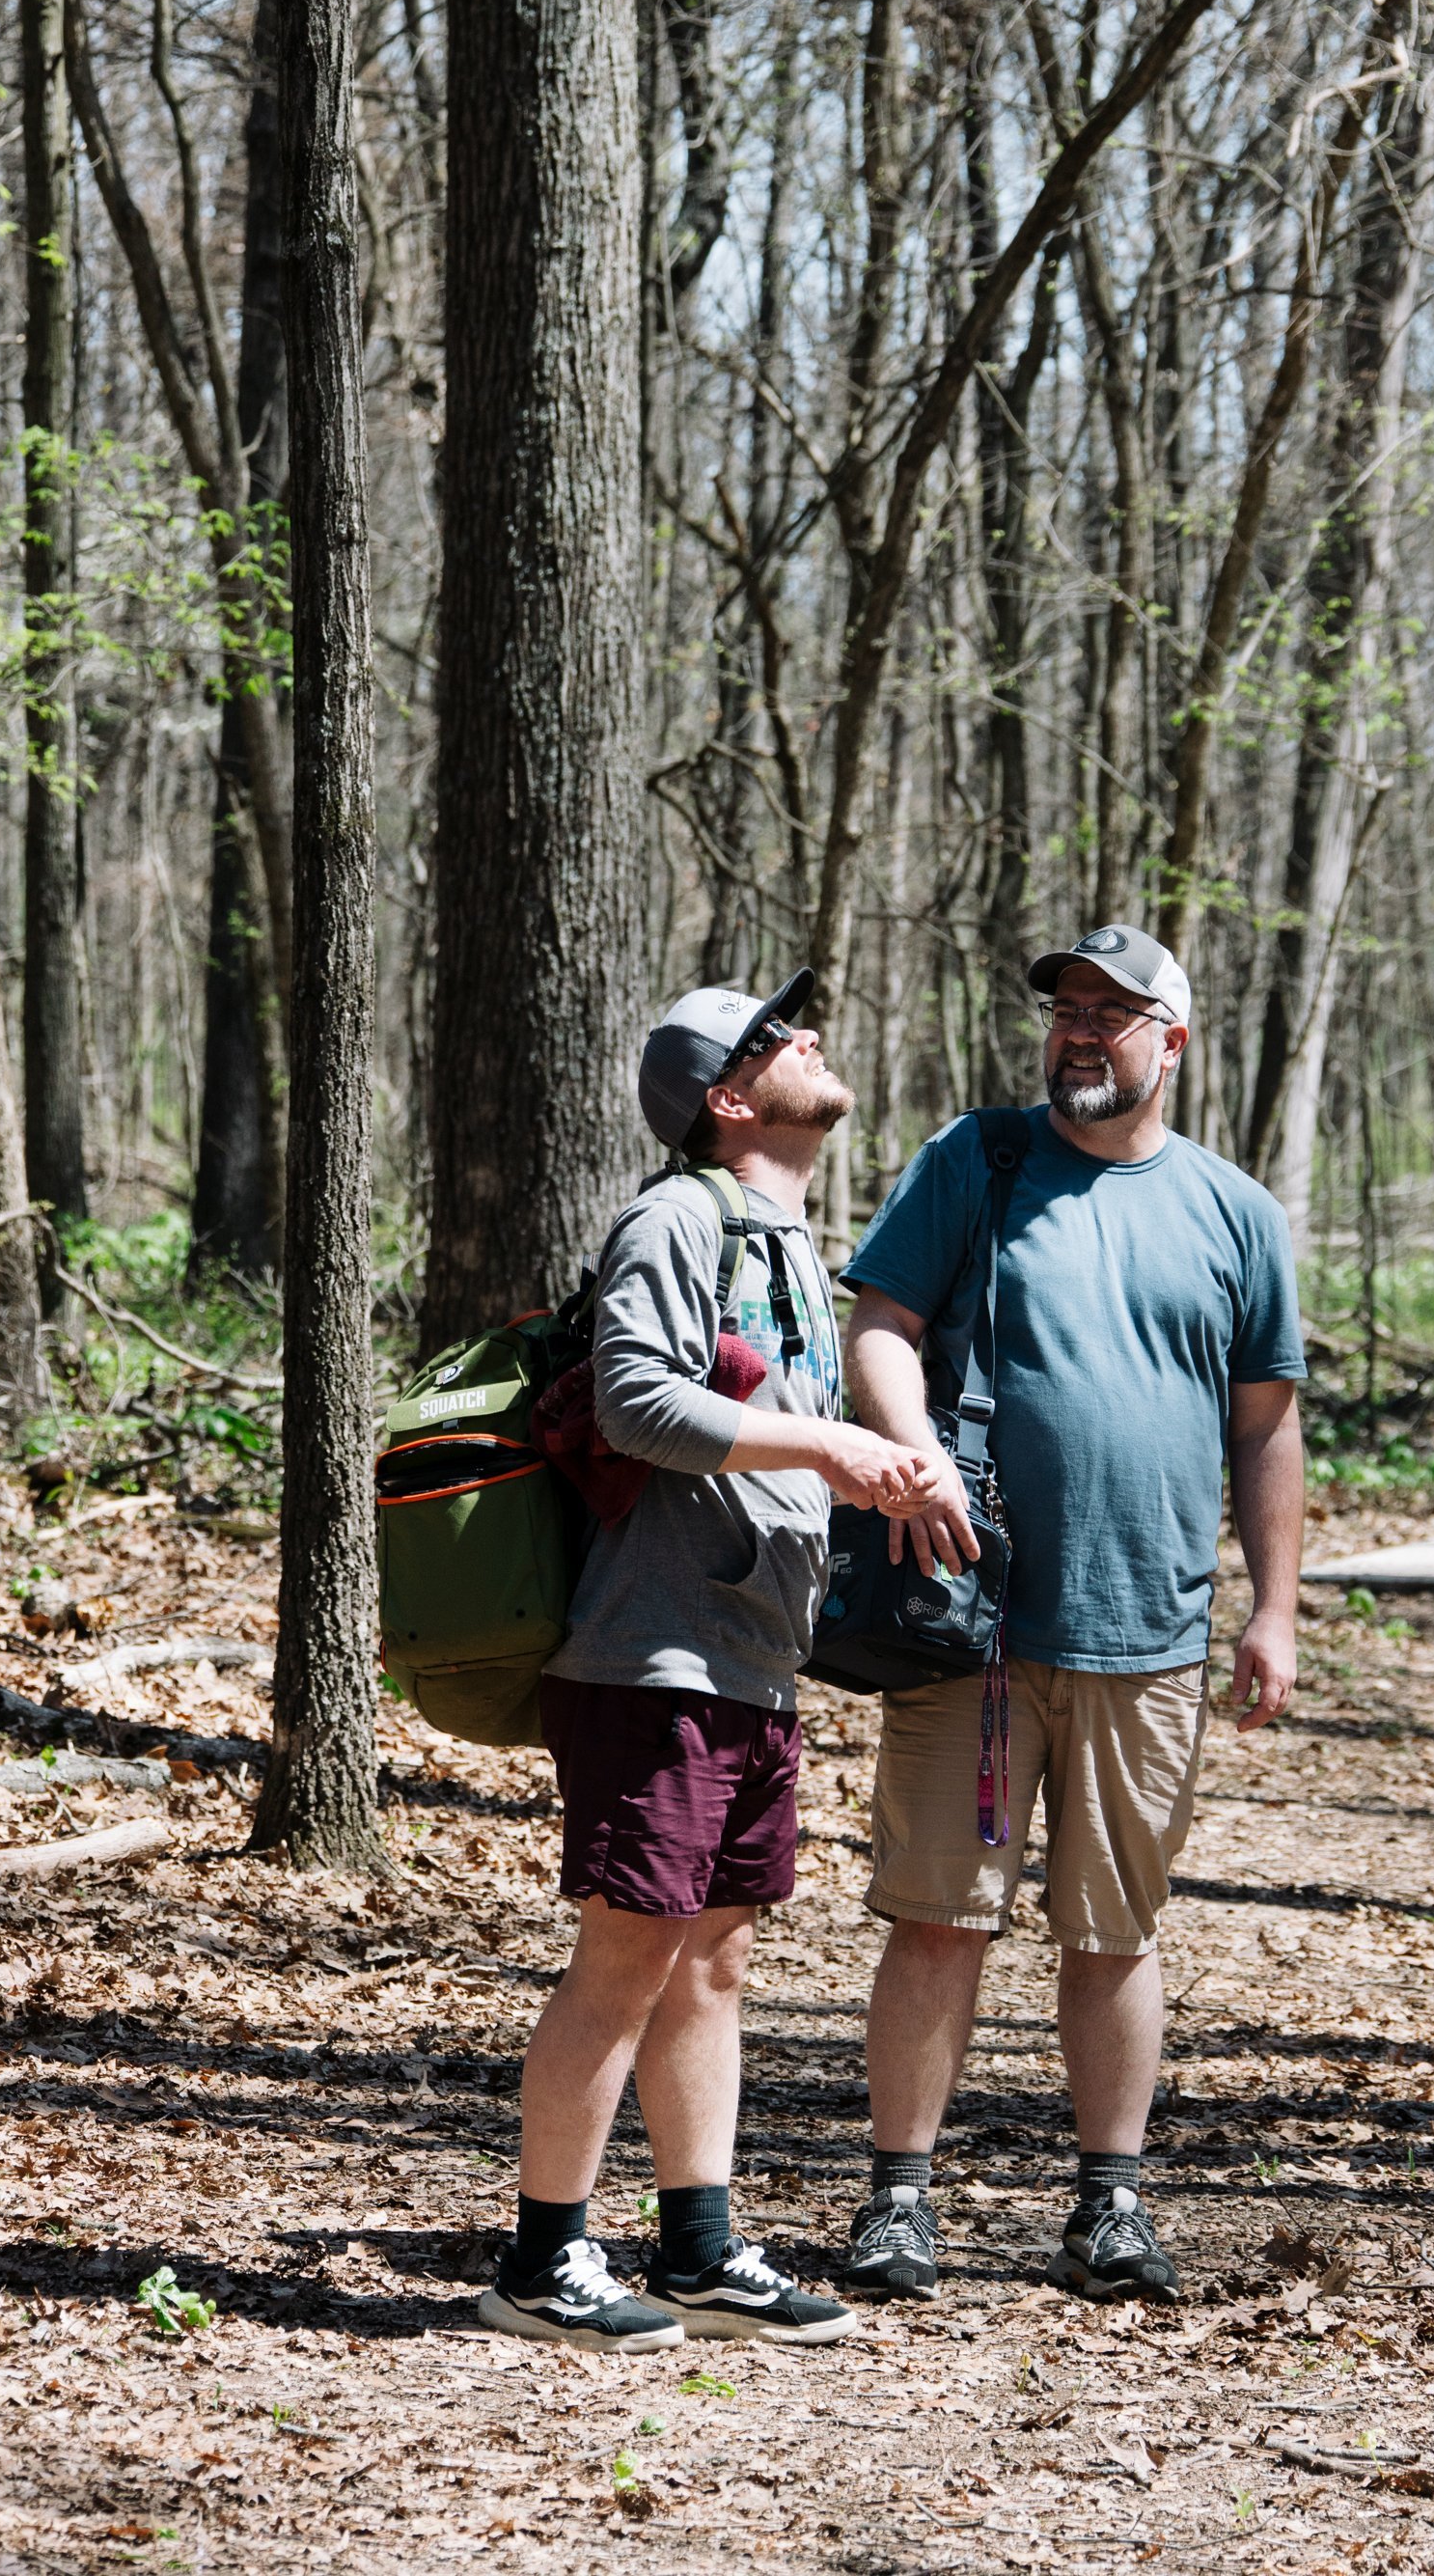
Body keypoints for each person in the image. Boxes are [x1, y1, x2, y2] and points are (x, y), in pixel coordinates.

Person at [835, 925, 1306, 2305]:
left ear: (1175, 1039)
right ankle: (898, 2202)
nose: (1083, 1030)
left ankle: (1108, 2208)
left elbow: (1267, 1427)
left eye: (1117, 1010)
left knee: (1114, 1929)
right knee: (938, 1917)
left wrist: (1273, 1607)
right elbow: (880, 1322)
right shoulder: (974, 1163)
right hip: (967, 1629)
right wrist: (910, 1452)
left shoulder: (1236, 1215)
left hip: (1148, 1631)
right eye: (1068, 1010)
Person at [481, 970, 936, 2353]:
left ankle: (698, 2245)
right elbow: (635, 1401)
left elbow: (751, 1430)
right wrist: (830, 1446)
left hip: (748, 1658)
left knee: (713, 1961)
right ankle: (542, 2257)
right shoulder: (676, 1217)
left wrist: (858, 1477)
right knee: (625, 1955)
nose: (809, 1041)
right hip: (652, 1656)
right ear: (731, 1099)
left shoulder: (788, 1240)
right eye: (776, 1040)